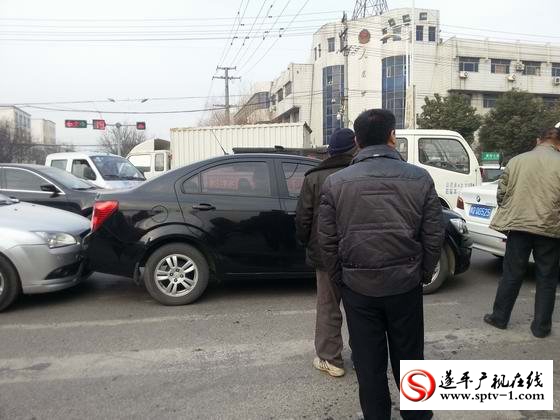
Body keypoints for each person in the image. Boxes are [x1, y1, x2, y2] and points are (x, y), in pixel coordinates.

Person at [318, 109, 443, 420]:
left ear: (357, 142)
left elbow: (327, 242)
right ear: (392, 137)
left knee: (369, 364)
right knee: (411, 358)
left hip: (358, 289)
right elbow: (433, 234)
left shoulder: (335, 183)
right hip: (405, 285)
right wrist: (423, 272)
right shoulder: (420, 178)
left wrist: (341, 278)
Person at [485, 127, 560, 338]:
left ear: (539, 140)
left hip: (518, 227)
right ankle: (541, 328)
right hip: (549, 228)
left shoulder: (516, 160)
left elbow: (502, 193)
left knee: (511, 274)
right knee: (547, 278)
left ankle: (499, 318)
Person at [295, 128, 356, 378]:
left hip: (325, 254)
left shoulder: (314, 177)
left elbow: (303, 219)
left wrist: (306, 243)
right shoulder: (359, 172)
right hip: (358, 253)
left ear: (330, 151)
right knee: (358, 307)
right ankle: (363, 357)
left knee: (328, 306)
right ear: (355, 148)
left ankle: (331, 360)